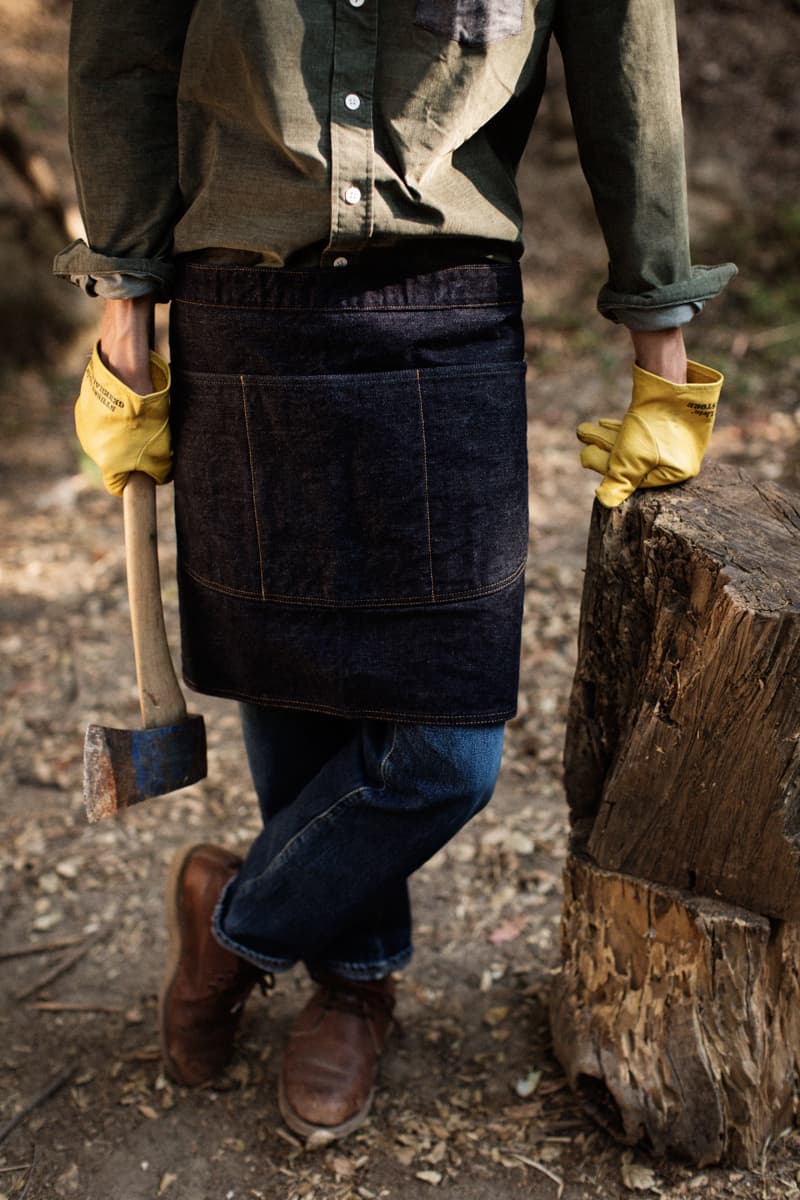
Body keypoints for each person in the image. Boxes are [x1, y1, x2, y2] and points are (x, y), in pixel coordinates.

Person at [56, 0, 735, 1142]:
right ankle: (353, 980)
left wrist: (660, 351)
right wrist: (127, 319)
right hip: (241, 298)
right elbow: (124, 48)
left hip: (446, 308)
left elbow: (627, 58)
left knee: (446, 753)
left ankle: (236, 918)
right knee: (294, 696)